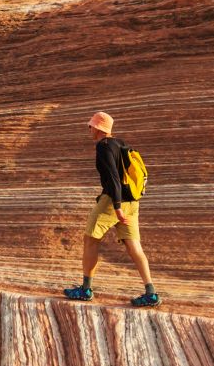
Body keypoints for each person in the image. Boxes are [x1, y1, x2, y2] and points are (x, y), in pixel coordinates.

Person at [63, 111, 160, 307]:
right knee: (134, 247)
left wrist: (116, 208)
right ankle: (151, 293)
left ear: (98, 128)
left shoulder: (104, 147)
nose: (89, 129)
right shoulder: (122, 143)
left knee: (90, 239)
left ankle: (85, 289)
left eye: (90, 126)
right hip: (132, 202)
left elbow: (114, 179)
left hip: (113, 202)